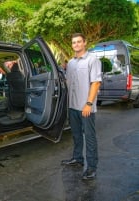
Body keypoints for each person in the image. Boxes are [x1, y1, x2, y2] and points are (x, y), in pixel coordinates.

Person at [61, 33, 102, 180]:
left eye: (79, 42)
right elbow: (68, 82)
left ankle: (91, 167)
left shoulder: (93, 60)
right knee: (76, 135)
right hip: (73, 106)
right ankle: (78, 159)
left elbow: (96, 83)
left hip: (86, 107)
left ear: (85, 43)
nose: (76, 44)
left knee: (89, 137)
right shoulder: (71, 63)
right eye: (74, 42)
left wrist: (89, 104)